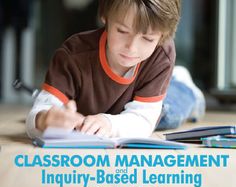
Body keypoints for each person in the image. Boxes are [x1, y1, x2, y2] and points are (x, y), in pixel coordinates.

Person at [26, 0, 204, 139]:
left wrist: (110, 124)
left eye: (148, 39)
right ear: (105, 17)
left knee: (168, 114)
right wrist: (45, 120)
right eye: (122, 31)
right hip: (103, 114)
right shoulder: (72, 56)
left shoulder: (161, 54)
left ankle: (182, 84)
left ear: (162, 37)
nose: (131, 48)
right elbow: (37, 114)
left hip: (145, 103)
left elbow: (143, 119)